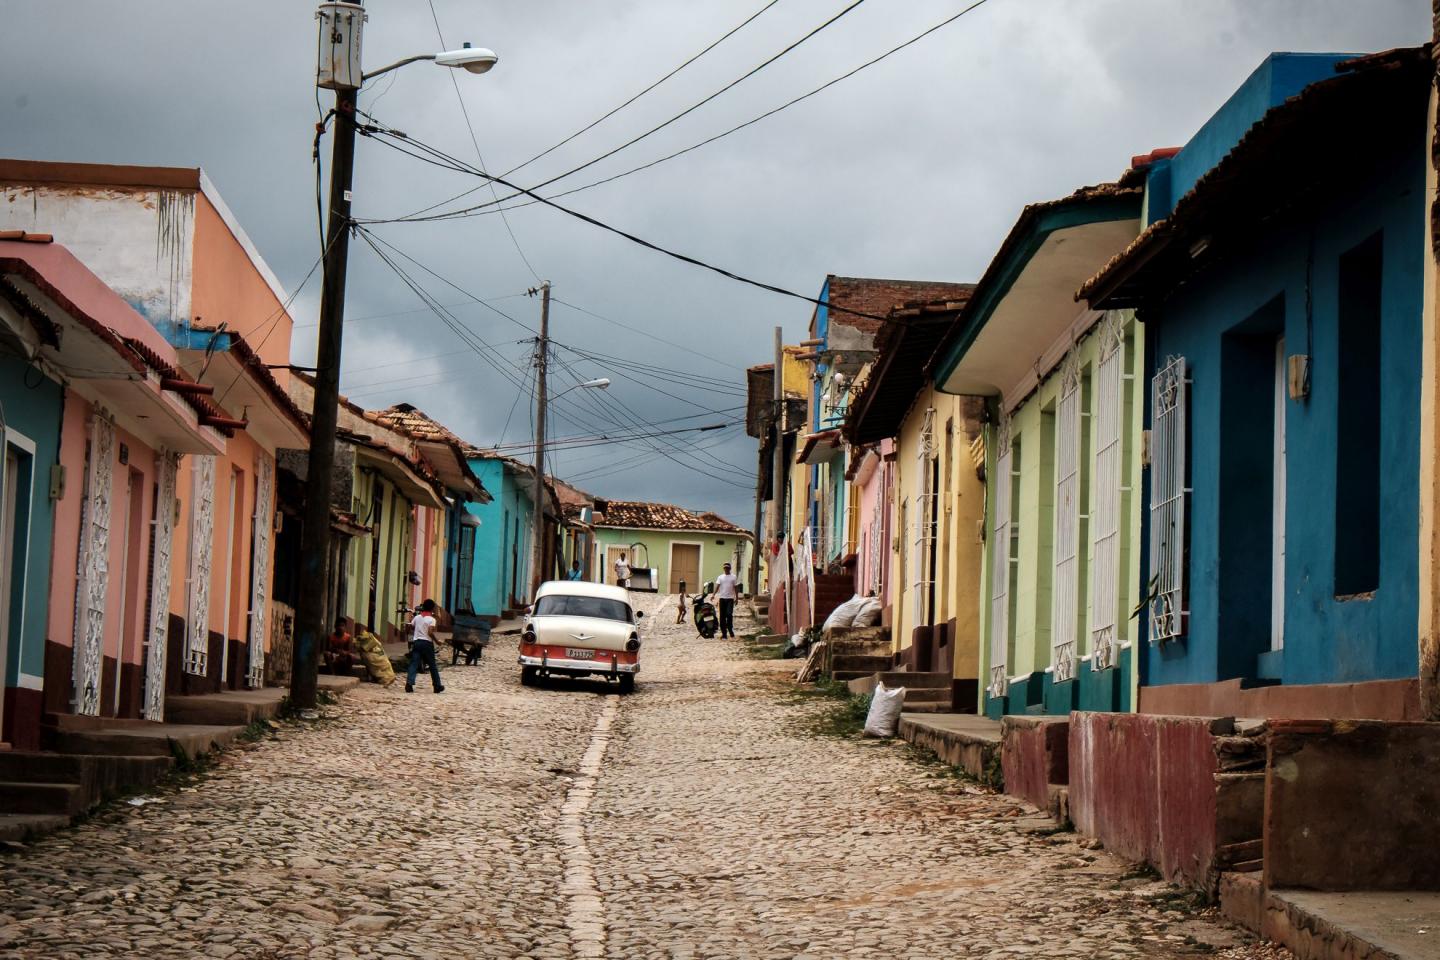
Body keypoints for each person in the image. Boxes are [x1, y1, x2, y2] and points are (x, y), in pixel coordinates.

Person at [406, 599, 444, 694]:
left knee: (414, 663)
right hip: (427, 643)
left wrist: (411, 621)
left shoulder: (417, 617)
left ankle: (409, 684)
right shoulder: (431, 620)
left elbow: (411, 627)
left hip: (417, 642)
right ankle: (437, 685)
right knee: (432, 665)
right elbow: (430, 632)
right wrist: (437, 641)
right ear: (432, 608)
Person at [712, 562, 740, 639]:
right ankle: (724, 633)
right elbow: (717, 586)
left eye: (727, 568)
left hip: (730, 599)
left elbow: (736, 588)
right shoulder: (720, 577)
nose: (726, 569)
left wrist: (737, 598)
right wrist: (713, 595)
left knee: (729, 614)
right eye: (725, 568)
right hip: (722, 598)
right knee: (722, 616)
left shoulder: (733, 577)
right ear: (723, 568)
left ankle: (730, 630)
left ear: (730, 568)